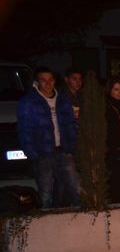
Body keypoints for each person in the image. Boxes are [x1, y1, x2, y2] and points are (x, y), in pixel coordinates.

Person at [16, 66, 81, 208]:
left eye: (50, 80)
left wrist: (72, 146)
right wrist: (33, 153)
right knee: (46, 193)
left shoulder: (62, 100)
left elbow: (70, 124)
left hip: (63, 151)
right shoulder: (28, 102)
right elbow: (24, 129)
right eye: (43, 80)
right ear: (37, 82)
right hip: (43, 153)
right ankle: (46, 222)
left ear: (54, 81)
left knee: (75, 188)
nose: (47, 83)